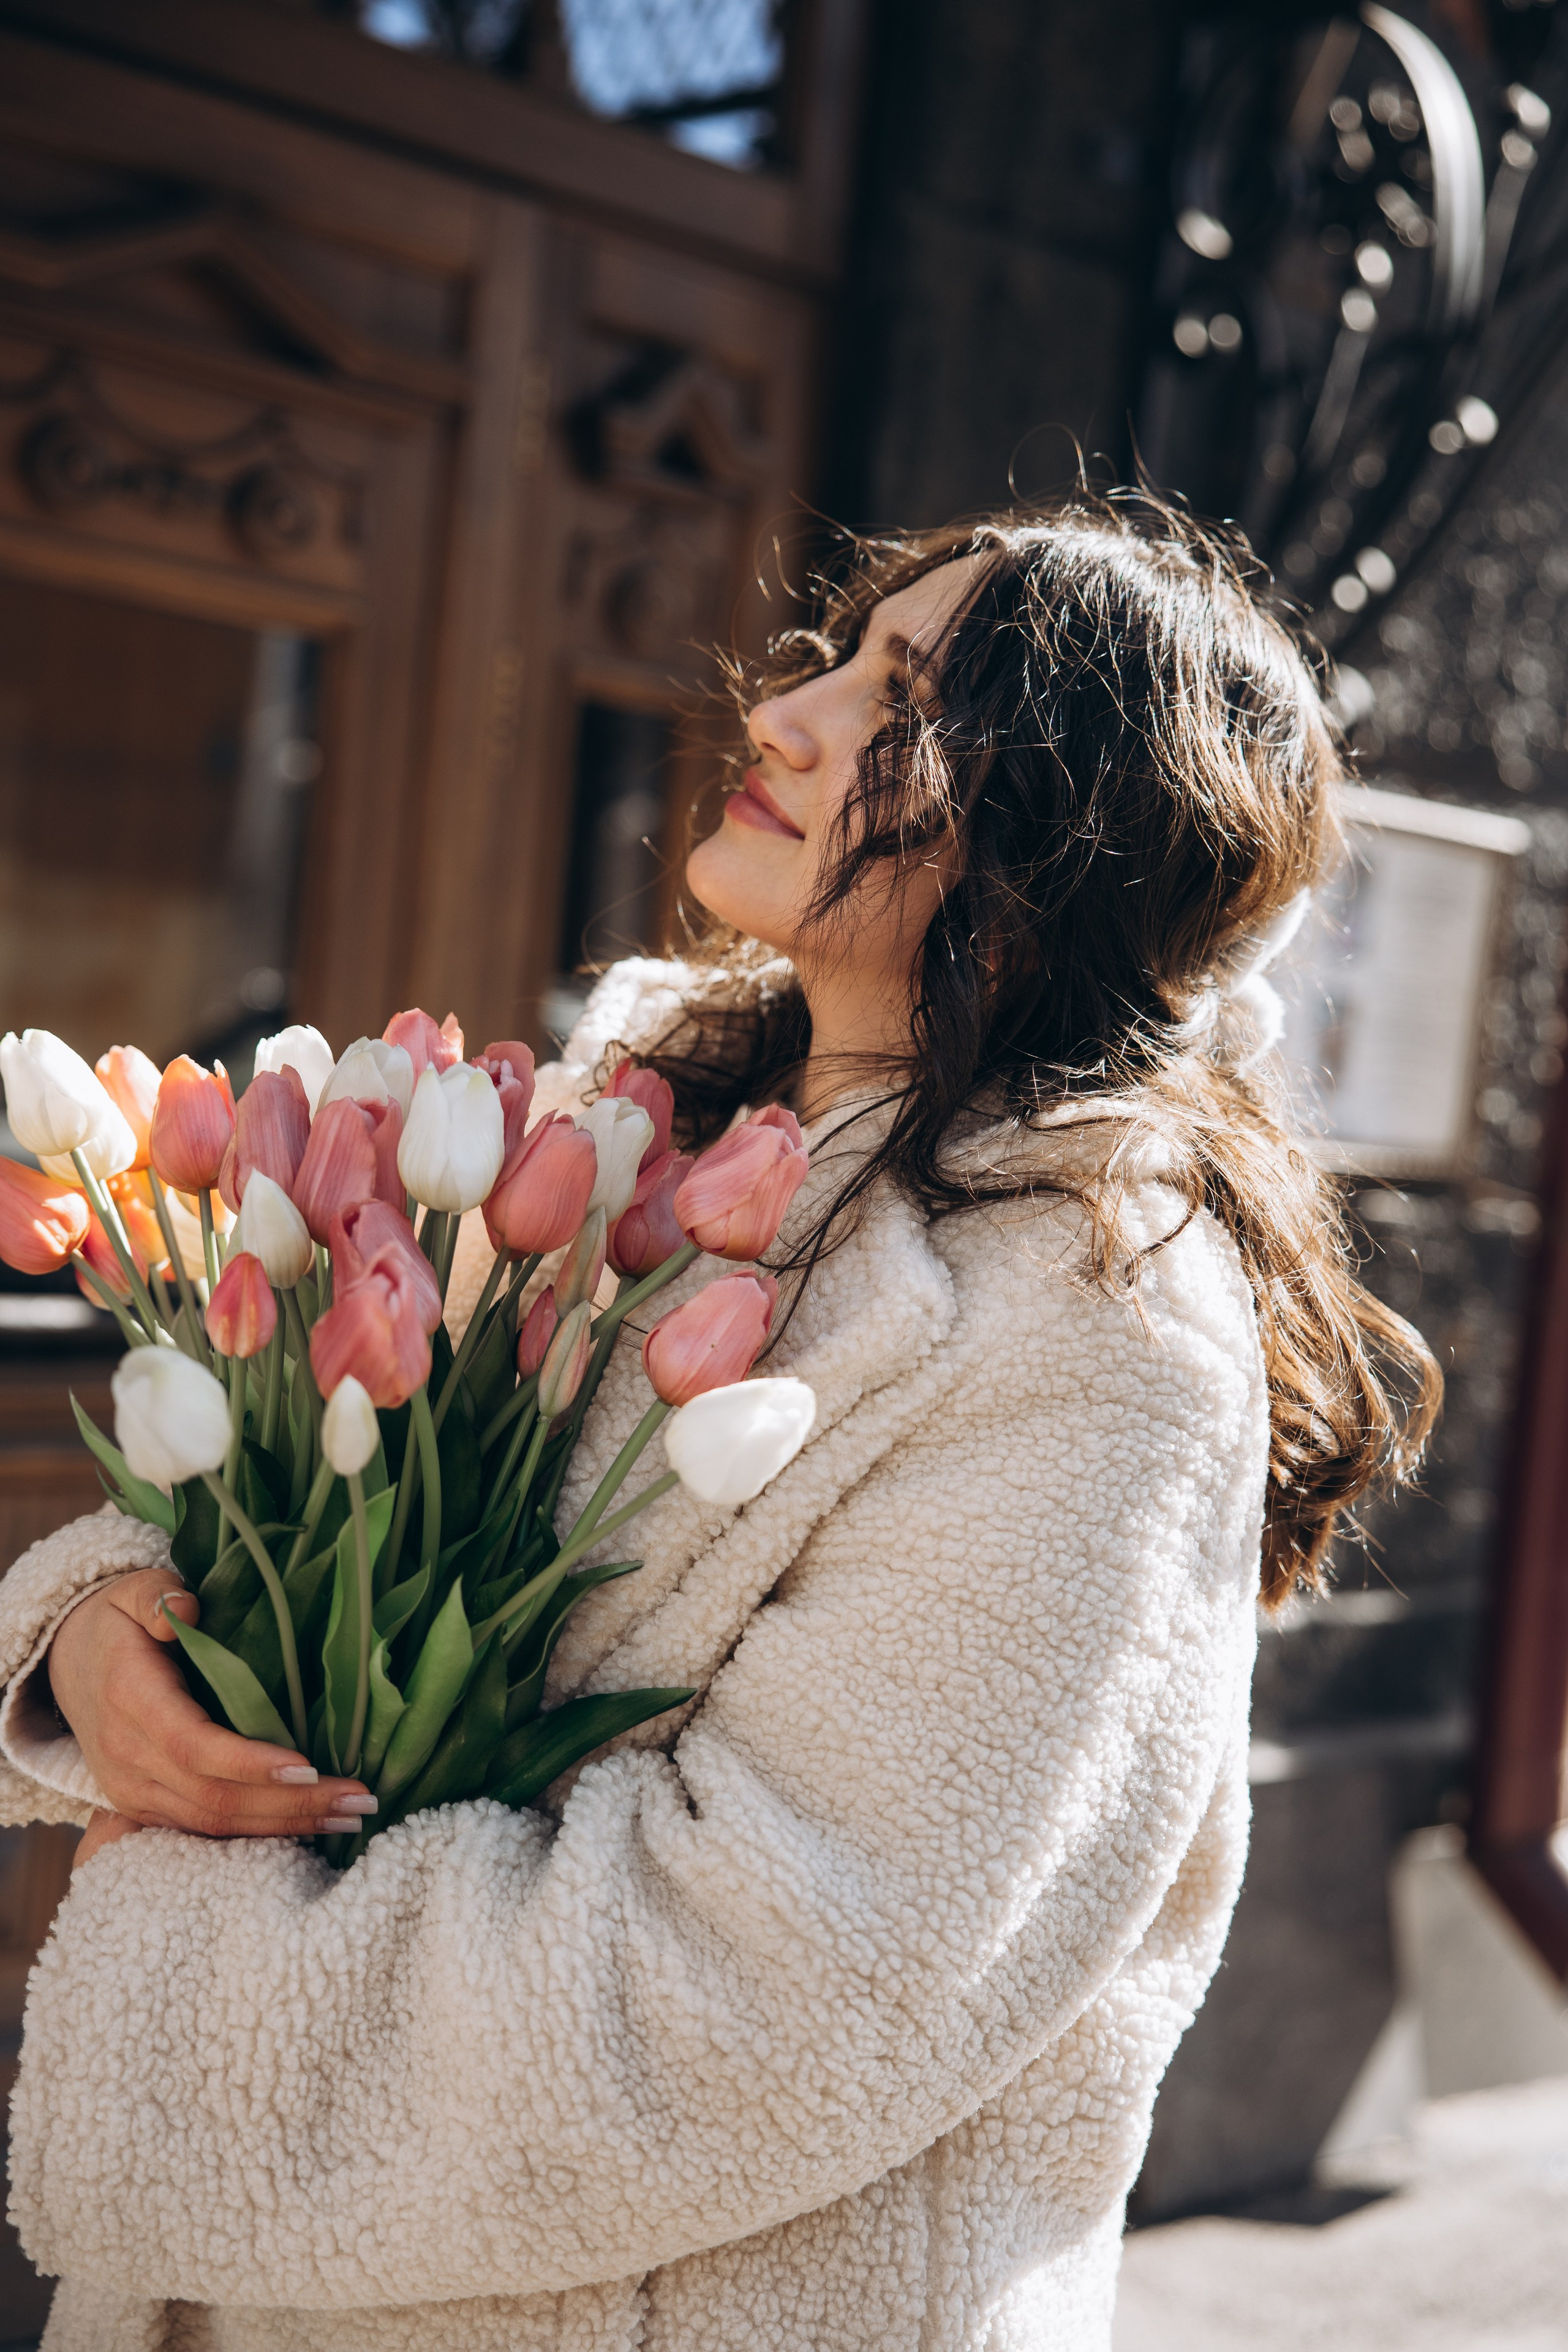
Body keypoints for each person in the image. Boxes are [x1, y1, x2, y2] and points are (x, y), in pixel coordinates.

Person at [0, 494, 1438, 2352]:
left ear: (1061, 838)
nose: (786, 714)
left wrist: (183, 1958)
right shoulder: (619, 1134)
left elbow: (781, 1986)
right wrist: (110, 1642)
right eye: (837, 653)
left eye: (901, 701)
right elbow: (324, 1500)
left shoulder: (1099, 1329)